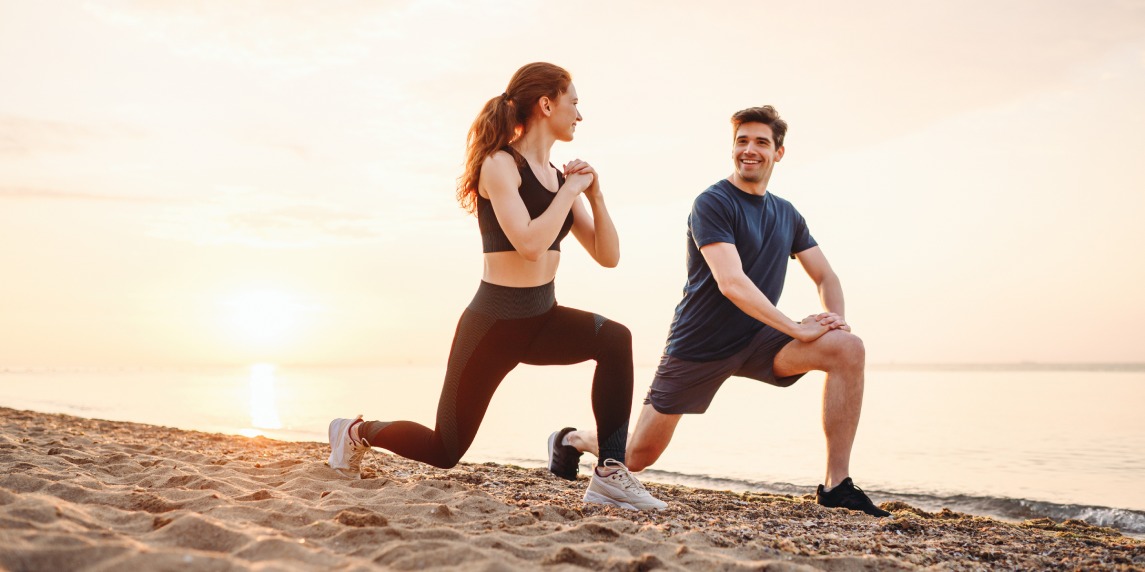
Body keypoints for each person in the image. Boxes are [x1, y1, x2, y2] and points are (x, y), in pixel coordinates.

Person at [326, 62, 665, 511]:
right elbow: (527, 243)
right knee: (445, 450)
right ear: (547, 104)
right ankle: (354, 431)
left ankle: (609, 473)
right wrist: (569, 193)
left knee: (616, 339)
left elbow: (608, 256)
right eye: (574, 103)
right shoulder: (499, 165)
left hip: (543, 318)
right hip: (492, 327)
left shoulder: (560, 179)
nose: (580, 115)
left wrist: (594, 195)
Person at [548, 105, 889, 517]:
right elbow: (731, 283)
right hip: (700, 343)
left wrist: (834, 320)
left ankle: (837, 485)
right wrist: (797, 329)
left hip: (760, 338)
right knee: (637, 456)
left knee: (848, 348)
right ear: (733, 149)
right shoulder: (713, 202)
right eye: (742, 141)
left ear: (778, 152)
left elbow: (826, 276)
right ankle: (572, 439)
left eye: (761, 142)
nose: (750, 149)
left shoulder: (787, 214)